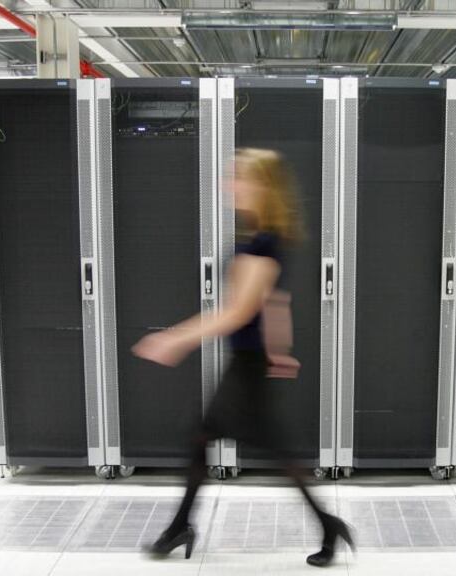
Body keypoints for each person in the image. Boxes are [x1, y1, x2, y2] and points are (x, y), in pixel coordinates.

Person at [132, 148, 354, 567]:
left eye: (239, 176)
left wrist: (175, 338)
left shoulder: (263, 244)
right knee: (231, 442)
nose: (229, 184)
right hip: (251, 363)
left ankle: (181, 526)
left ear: (263, 187)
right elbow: (276, 305)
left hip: (247, 370)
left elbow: (238, 311)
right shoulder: (263, 239)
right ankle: (326, 525)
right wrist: (280, 352)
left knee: (221, 441)